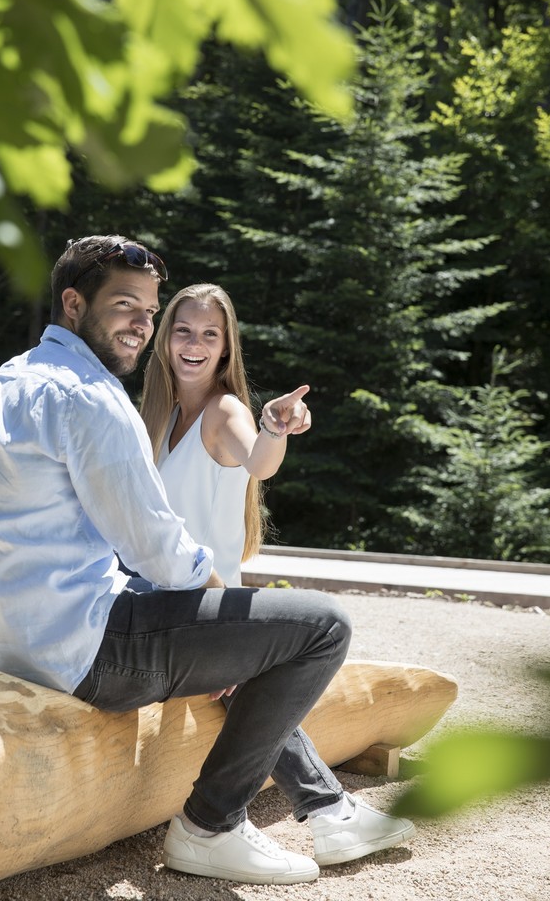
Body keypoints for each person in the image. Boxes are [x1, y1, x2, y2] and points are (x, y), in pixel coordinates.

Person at [0, 236, 399, 886]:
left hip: (2, 648)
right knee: (321, 626)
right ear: (74, 303)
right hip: (86, 655)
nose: (141, 323)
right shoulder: (90, 397)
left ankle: (324, 808)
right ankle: (211, 827)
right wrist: (227, 621)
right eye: (125, 304)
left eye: (150, 311)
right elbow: (158, 548)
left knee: (221, 625)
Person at [140, 282, 416, 867]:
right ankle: (331, 812)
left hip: (207, 604)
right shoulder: (157, 416)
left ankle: (329, 812)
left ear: (226, 348)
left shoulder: (225, 410)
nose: (194, 344)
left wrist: (274, 427)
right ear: (165, 339)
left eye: (209, 334)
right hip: (167, 605)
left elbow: (259, 463)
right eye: (183, 330)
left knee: (261, 675)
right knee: (256, 682)